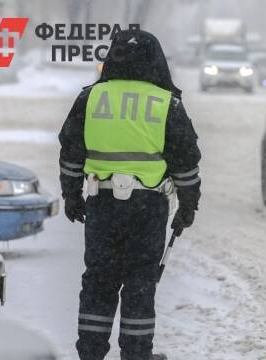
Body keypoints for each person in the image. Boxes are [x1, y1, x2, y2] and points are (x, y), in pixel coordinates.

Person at [58, 30, 201, 360]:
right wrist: (188, 204)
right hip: (147, 208)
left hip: (102, 204)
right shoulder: (167, 103)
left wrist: (72, 194)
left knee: (99, 281)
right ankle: (137, 354)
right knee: (140, 284)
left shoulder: (91, 98)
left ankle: (90, 353)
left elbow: (71, 152)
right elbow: (185, 161)